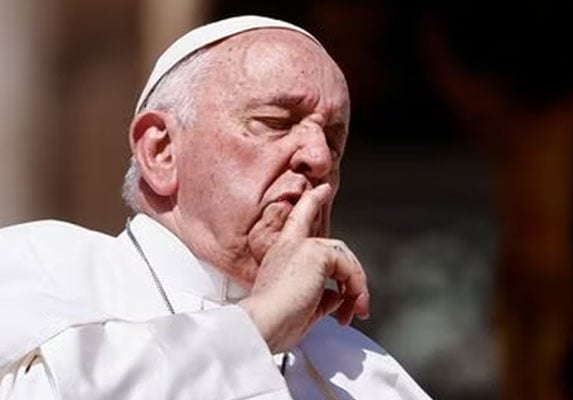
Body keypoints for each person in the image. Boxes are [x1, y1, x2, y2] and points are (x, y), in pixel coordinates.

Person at [0, 15, 432, 399]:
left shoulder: (363, 374)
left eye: (334, 141)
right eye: (276, 122)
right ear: (162, 151)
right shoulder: (33, 268)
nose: (319, 157)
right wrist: (258, 325)